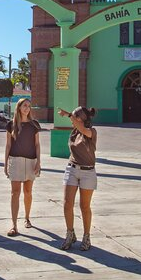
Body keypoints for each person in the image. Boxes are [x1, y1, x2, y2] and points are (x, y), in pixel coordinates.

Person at [56, 106, 98, 251]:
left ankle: (86, 237)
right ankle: (70, 234)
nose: (72, 120)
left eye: (75, 117)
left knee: (84, 206)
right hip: (72, 169)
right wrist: (71, 116)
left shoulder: (91, 132)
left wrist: (68, 114)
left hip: (88, 172)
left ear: (82, 119)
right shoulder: (74, 132)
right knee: (67, 203)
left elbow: (83, 129)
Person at [3, 98, 41, 236]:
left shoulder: (34, 125)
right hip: (15, 160)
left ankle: (27, 218)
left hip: (31, 161)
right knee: (15, 193)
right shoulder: (11, 125)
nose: (27, 108)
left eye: (29, 106)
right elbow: (8, 145)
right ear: (19, 107)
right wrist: (5, 163)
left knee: (28, 192)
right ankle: (14, 225)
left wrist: (39, 162)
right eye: (24, 106)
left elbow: (37, 144)